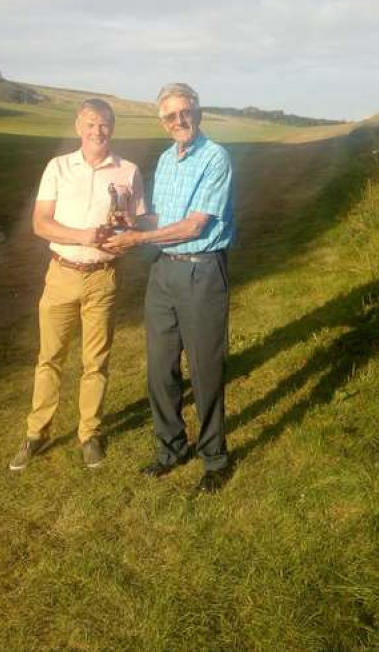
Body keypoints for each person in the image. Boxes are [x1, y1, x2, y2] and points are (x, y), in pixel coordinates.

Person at [104, 83, 235, 493]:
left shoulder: (216, 157)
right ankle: (171, 447)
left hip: (201, 269)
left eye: (185, 112)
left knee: (205, 368)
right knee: (160, 368)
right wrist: (132, 223)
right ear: (162, 122)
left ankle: (215, 457)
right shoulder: (166, 158)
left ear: (198, 112)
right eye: (170, 116)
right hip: (164, 271)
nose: (179, 121)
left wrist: (136, 241)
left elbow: (196, 225)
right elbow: (162, 219)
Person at [9, 98, 145, 471]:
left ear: (112, 129)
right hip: (62, 274)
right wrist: (83, 236)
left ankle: (90, 434)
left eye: (104, 124)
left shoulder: (128, 171)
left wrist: (126, 230)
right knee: (49, 358)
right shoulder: (58, 167)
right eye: (91, 123)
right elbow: (40, 223)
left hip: (104, 277)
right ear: (78, 127)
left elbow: (134, 227)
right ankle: (37, 433)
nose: (97, 131)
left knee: (96, 361)